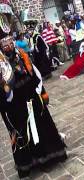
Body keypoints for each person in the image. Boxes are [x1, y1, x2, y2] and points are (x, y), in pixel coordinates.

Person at [0, 34, 67, 179]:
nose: (8, 47)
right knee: (23, 132)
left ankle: (48, 157)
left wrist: (41, 92)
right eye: (4, 45)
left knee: (41, 125)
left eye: (10, 43)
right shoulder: (1, 63)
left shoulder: (22, 55)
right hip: (15, 106)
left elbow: (34, 74)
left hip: (32, 97)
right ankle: (29, 163)